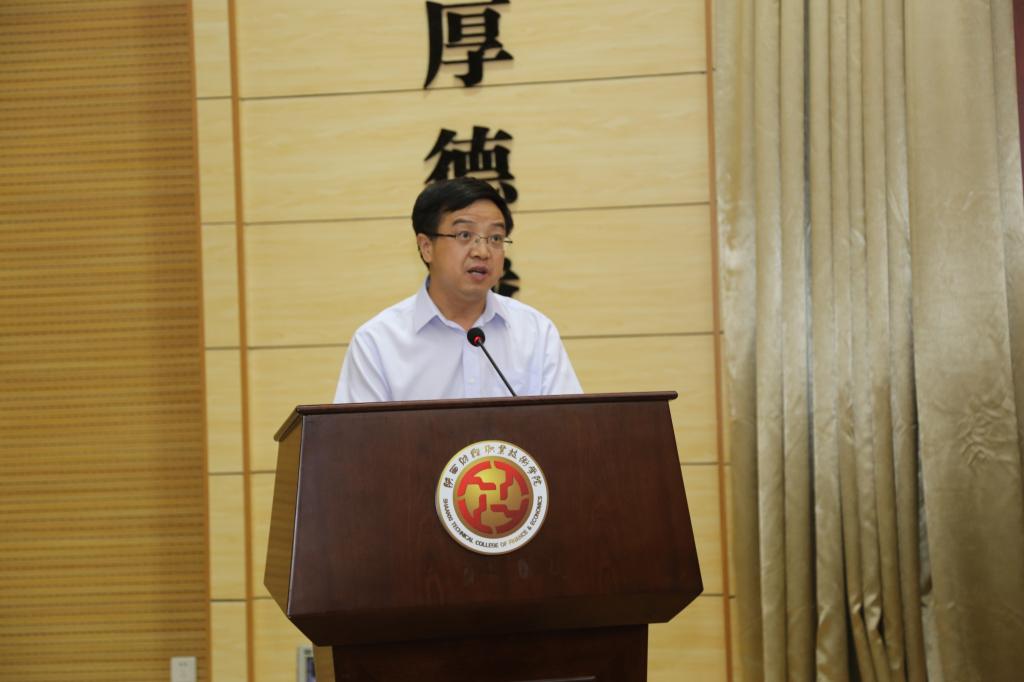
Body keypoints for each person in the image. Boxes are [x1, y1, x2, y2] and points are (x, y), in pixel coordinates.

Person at [334, 177, 582, 403]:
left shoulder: (536, 333)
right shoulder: (378, 343)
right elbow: (357, 437)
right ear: (426, 247)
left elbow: (569, 426)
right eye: (464, 235)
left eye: (495, 238)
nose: (482, 252)